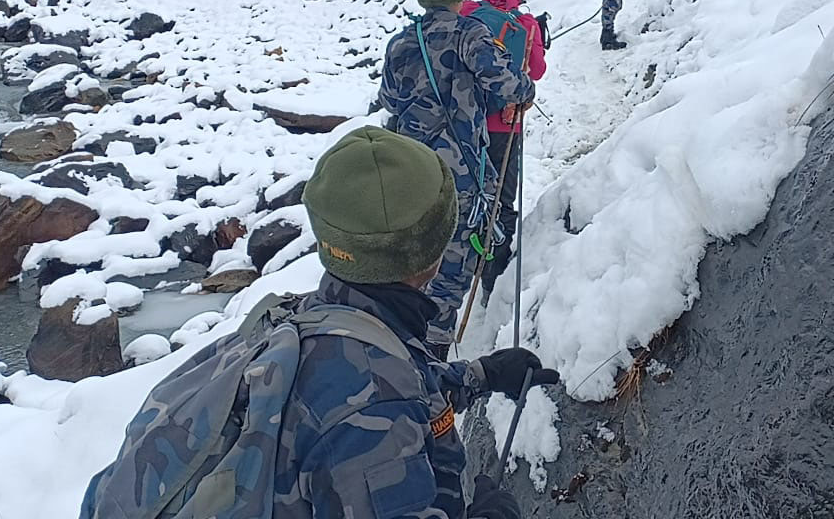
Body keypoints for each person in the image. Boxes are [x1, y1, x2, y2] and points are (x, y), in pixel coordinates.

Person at [79, 126, 559, 519]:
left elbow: (362, 392)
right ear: (431, 252)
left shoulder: (303, 320)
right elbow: (366, 407)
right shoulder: (374, 393)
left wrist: (481, 376)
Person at [379, 0, 535, 356]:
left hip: (409, 170)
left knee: (412, 259)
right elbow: (510, 86)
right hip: (460, 172)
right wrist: (525, 89)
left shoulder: (400, 43)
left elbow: (390, 101)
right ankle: (432, 364)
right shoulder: (469, 34)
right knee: (449, 274)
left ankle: (397, 344)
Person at [460, 0, 547, 299]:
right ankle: (492, 275)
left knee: (466, 193)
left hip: (465, 124)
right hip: (505, 127)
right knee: (500, 199)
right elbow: (536, 71)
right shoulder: (525, 24)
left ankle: (459, 262)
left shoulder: (466, 13)